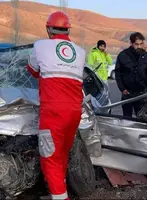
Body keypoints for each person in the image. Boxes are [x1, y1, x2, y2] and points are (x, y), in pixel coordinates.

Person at [27, 11, 85, 200]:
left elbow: (32, 70)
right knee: (61, 153)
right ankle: (58, 192)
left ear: (48, 28)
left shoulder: (40, 46)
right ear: (68, 30)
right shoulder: (80, 52)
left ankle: (60, 197)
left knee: (49, 155)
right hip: (74, 111)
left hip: (53, 111)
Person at [115, 32, 147, 117]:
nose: (139, 46)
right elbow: (118, 73)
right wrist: (122, 89)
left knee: (142, 118)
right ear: (131, 43)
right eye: (136, 44)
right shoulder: (123, 55)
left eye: (141, 44)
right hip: (127, 93)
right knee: (127, 118)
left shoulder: (146, 56)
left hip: (142, 93)